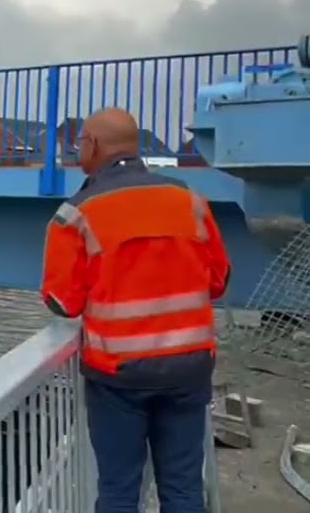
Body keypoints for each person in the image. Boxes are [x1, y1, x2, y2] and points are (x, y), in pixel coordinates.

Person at [40, 107, 231, 513]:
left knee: (119, 491)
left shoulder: (75, 213)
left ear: (92, 145)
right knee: (182, 488)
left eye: (80, 143)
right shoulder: (190, 201)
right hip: (189, 368)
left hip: (119, 376)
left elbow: (63, 302)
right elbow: (218, 281)